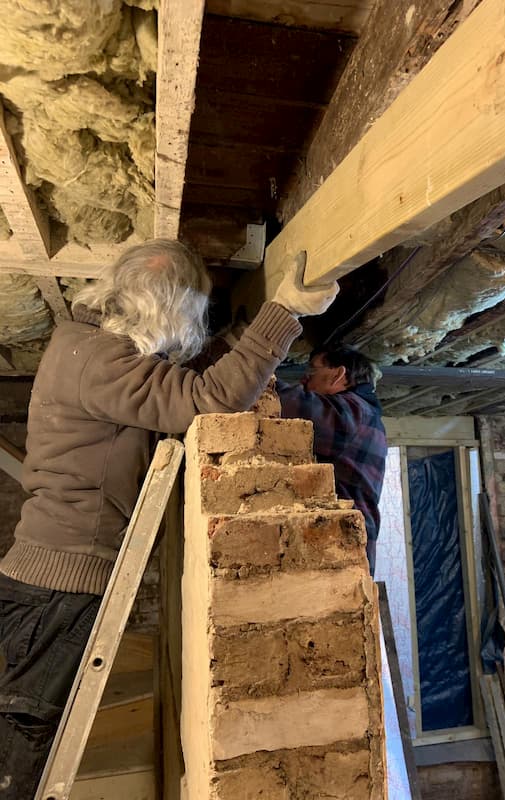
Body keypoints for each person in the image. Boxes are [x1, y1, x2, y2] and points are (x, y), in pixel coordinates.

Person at [0, 240, 338, 799]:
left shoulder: (83, 347)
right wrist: (285, 314)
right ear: (167, 313)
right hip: (61, 586)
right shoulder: (104, 363)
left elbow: (177, 380)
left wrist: (246, 329)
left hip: (45, 579)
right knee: (24, 756)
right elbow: (208, 397)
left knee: (23, 741)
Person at [277, 345, 387, 577]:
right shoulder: (362, 415)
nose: (304, 379)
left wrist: (254, 376)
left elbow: (290, 405)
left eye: (312, 370)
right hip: (345, 547)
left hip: (344, 548)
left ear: (338, 374)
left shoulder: (354, 413)